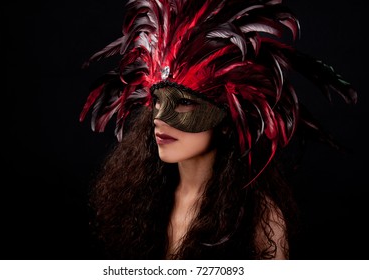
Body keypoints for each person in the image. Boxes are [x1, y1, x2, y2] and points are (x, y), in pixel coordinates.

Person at [79, 0, 357, 259]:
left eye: (184, 102)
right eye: (157, 100)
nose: (159, 118)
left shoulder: (259, 219)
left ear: (227, 121)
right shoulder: (144, 202)